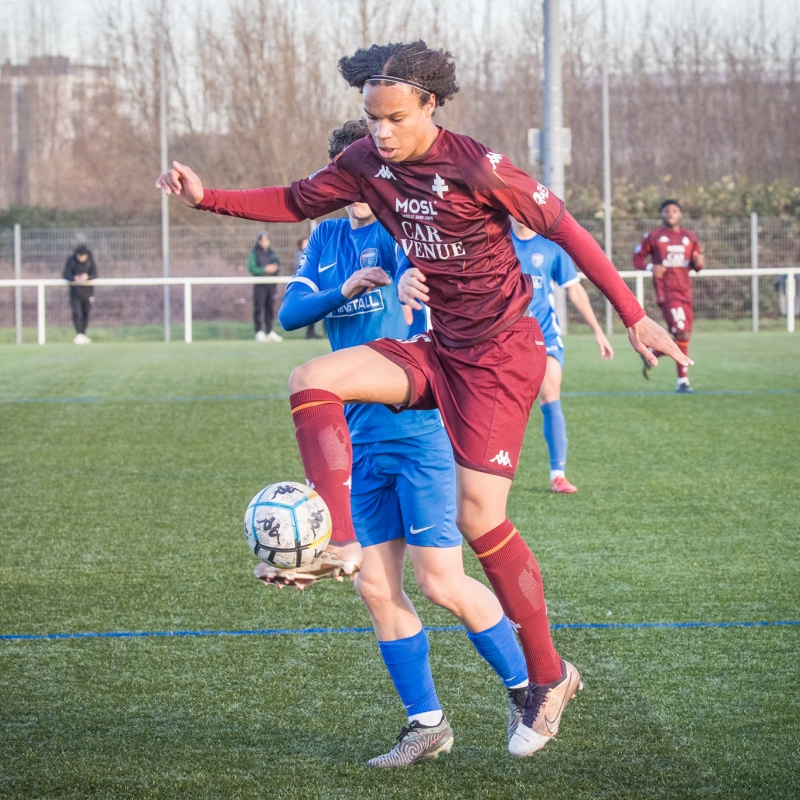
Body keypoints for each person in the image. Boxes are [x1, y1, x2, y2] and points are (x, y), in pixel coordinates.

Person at [158, 40, 688, 758]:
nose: (381, 133)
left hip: (502, 358)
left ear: (430, 107)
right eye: (371, 118)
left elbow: (564, 228)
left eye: (396, 118)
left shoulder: (478, 165)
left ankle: (549, 675)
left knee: (477, 520)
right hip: (441, 352)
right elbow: (290, 201)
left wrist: (633, 314)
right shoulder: (365, 165)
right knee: (311, 379)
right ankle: (341, 540)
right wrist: (206, 196)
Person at [271, 119, 533, 767]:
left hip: (422, 428)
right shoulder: (327, 237)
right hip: (356, 435)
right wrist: (344, 288)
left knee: (441, 580)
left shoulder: (405, 223)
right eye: (347, 173)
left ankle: (533, 687)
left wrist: (416, 281)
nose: (359, 182)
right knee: (376, 587)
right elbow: (289, 316)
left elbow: (432, 268)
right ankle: (426, 725)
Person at [510, 218, 614, 494]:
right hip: (505, 336)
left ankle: (558, 474)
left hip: (545, 334)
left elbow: (574, 288)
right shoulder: (497, 241)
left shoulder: (551, 247)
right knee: (507, 403)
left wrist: (597, 330)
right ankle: (500, 468)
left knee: (550, 390)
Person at [632, 199, 703, 392]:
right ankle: (683, 382)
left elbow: (697, 266)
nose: (671, 214)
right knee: (681, 332)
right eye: (666, 211)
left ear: (680, 214)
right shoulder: (654, 237)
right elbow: (637, 259)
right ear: (662, 214)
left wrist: (699, 262)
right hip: (667, 293)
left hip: (686, 293)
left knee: (683, 335)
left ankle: (651, 355)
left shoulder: (689, 237)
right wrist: (650, 267)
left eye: (674, 210)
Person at [248, 232, 282, 341]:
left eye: (266, 240)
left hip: (271, 284)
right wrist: (264, 269)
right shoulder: (254, 253)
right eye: (262, 240)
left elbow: (278, 264)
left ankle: (270, 331)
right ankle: (258, 331)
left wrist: (275, 268)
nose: (264, 242)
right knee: (259, 307)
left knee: (270, 307)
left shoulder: (272, 252)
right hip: (260, 284)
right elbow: (251, 268)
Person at [62, 245, 97, 345]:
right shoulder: (71, 260)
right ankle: (79, 334)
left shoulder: (90, 261)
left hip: (88, 292)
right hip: (75, 292)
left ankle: (83, 334)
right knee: (77, 313)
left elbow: (95, 273)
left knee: (86, 313)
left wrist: (88, 276)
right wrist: (74, 278)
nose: (81, 258)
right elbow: (65, 274)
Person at [294, 236, 320, 339]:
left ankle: (314, 332)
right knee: (312, 309)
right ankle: (310, 333)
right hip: (308, 286)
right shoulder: (302, 256)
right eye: (305, 243)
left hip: (316, 285)